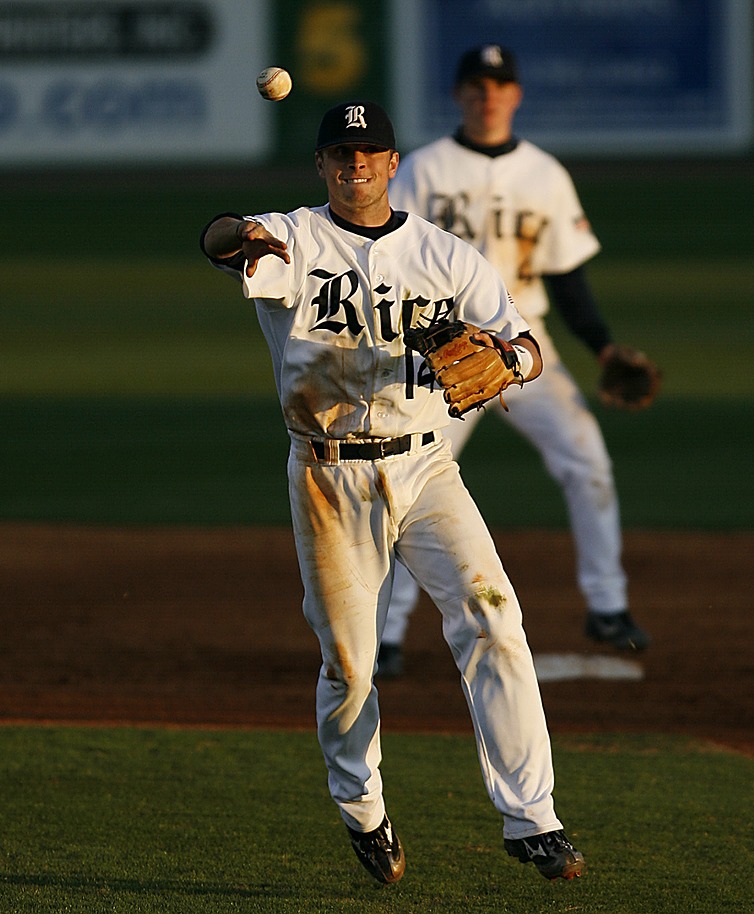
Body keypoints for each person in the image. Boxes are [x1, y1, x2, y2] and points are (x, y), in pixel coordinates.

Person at [200, 100, 586, 882]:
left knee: (493, 614)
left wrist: (509, 362)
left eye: (369, 153)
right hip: (327, 476)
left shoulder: (448, 256)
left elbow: (529, 345)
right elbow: (223, 243)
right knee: (350, 665)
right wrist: (241, 236)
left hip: (427, 467)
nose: (356, 166)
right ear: (322, 167)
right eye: (341, 155)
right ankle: (363, 808)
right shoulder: (295, 236)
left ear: (392, 162)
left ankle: (533, 818)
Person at [378, 43, 653, 679]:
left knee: (588, 459)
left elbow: (568, 279)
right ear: (459, 95)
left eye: (500, 85)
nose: (488, 96)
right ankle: (385, 633)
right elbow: (393, 262)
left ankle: (607, 606)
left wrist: (604, 346)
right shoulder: (423, 169)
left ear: (516, 95)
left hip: (526, 349)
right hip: (442, 350)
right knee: (408, 480)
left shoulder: (545, 174)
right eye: (477, 85)